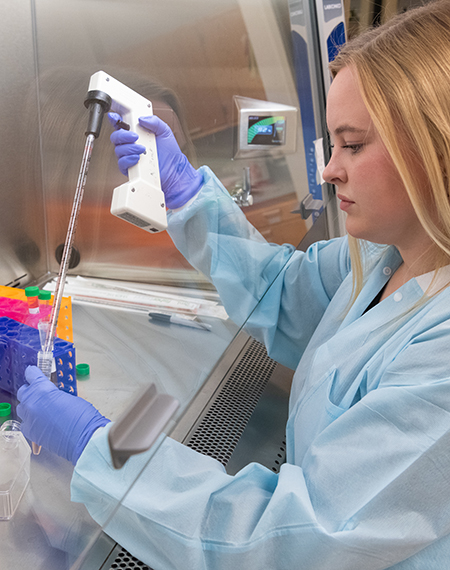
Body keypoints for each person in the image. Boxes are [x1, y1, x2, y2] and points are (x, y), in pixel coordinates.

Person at [16, 1, 450, 567]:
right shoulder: (385, 253)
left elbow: (287, 538)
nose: (327, 169)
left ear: (436, 149)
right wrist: (186, 195)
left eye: (354, 144)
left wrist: (99, 448)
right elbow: (288, 295)